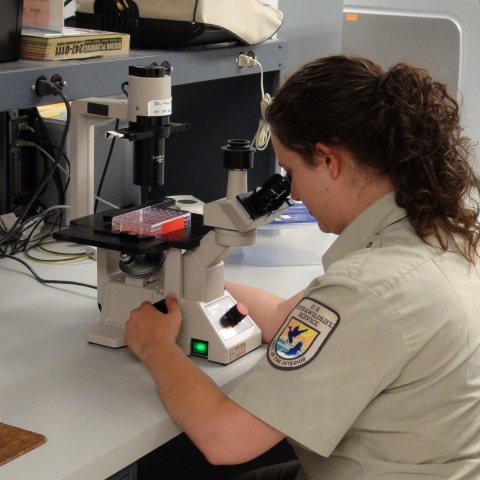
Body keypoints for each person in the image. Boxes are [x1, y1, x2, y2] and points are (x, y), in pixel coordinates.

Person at [124, 55, 480, 479]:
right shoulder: (443, 228)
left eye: (290, 170)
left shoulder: (367, 290)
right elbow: (281, 317)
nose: (290, 191)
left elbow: (224, 438)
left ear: (330, 161)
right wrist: (190, 277)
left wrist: (154, 346)